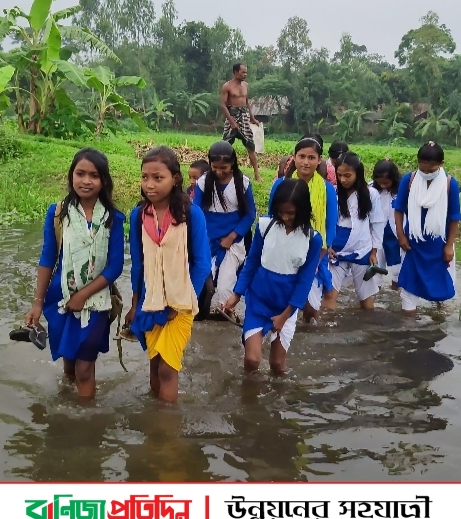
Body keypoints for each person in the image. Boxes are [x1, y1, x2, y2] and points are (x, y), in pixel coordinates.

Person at [23, 148, 126, 399]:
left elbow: (115, 267)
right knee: (68, 362)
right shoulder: (58, 214)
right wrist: (37, 304)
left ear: (103, 181)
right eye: (80, 173)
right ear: (71, 176)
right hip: (60, 300)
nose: (86, 181)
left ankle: (85, 421)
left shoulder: (113, 218)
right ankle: (68, 410)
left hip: (96, 301)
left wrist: (83, 295)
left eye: (94, 175)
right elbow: (48, 259)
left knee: (83, 367)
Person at [124, 146, 212, 403]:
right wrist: (134, 303)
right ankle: (156, 426)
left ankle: (167, 435)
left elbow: (201, 264)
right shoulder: (139, 215)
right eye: (144, 177)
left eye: (157, 178)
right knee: (154, 363)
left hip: (181, 304)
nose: (149, 185)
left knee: (167, 368)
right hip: (150, 303)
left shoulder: (190, 214)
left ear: (175, 179)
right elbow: (138, 263)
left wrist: (181, 301)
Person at [222, 178, 322, 376]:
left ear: (301, 210)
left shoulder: (313, 239)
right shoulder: (264, 226)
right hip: (259, 300)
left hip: (286, 305)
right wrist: (236, 295)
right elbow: (251, 263)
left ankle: (277, 402)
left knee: (277, 366)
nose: (284, 217)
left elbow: (305, 281)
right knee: (252, 360)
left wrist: (285, 316)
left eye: (290, 213)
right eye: (281, 211)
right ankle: (248, 398)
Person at [267, 137, 338, 322]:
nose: (306, 162)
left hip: (316, 250)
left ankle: (308, 330)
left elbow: (331, 221)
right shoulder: (280, 184)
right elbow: (271, 216)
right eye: (302, 156)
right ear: (294, 158)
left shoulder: (327, 189)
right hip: (284, 246)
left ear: (319, 160)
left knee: (312, 307)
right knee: (281, 294)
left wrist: (325, 248)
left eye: (311, 157)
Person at [393, 141, 461, 316]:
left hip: (439, 245)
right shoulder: (408, 181)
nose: (426, 173)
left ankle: (438, 318)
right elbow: (399, 209)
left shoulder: (450, 184)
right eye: (422, 169)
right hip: (412, 243)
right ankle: (408, 329)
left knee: (440, 290)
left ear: (441, 165)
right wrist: (401, 235)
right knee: (409, 290)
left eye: (431, 170)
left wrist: (449, 246)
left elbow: (454, 217)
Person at [191, 141, 257, 317]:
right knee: (203, 278)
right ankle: (199, 313)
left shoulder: (242, 183)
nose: (219, 172)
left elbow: (250, 215)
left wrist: (232, 236)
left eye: (224, 167)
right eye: (215, 167)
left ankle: (227, 311)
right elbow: (196, 213)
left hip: (232, 239)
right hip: (207, 239)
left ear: (233, 163)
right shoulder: (203, 182)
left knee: (225, 284)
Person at [329, 152, 385, 310]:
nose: (343, 180)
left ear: (358, 173)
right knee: (329, 295)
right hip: (336, 250)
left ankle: (368, 329)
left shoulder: (370, 194)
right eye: (339, 175)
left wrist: (374, 251)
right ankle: (327, 331)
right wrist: (328, 245)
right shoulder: (333, 192)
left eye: (348, 175)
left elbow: (377, 223)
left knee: (366, 298)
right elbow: (326, 221)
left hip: (363, 250)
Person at [220, 63, 262, 182]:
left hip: (244, 117)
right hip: (232, 116)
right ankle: (218, 170)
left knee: (250, 145)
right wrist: (232, 121)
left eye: (246, 72)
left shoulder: (246, 85)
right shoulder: (227, 86)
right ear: (235, 72)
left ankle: (257, 174)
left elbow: (247, 102)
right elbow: (223, 105)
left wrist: (252, 118)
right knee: (224, 146)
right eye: (243, 72)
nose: (245, 74)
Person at [371, 158, 404, 291]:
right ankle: (375, 293)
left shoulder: (402, 190)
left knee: (398, 268)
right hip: (377, 233)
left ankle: (396, 291)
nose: (383, 185)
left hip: (395, 234)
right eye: (380, 183)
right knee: (376, 267)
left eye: (386, 183)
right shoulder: (371, 189)